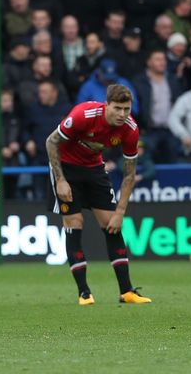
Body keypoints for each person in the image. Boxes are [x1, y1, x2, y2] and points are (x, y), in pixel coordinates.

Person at [45, 84, 152, 306]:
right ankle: (84, 293)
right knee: (74, 224)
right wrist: (60, 180)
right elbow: (51, 142)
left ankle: (127, 291)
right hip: (66, 169)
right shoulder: (83, 115)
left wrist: (121, 212)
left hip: (94, 170)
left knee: (112, 225)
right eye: (117, 108)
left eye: (127, 109)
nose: (122, 114)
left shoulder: (130, 129)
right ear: (107, 106)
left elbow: (129, 174)